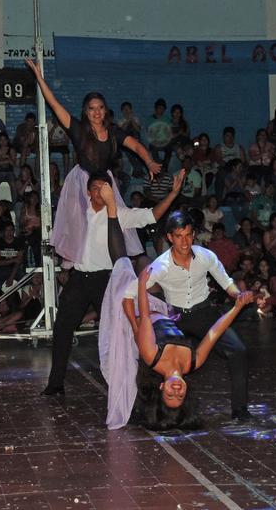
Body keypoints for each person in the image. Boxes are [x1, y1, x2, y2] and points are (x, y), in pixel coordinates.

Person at [40, 171, 183, 396]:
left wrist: (173, 193)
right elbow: (70, 242)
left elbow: (152, 215)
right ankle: (55, 384)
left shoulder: (118, 214)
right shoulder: (80, 213)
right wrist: (66, 266)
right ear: (88, 192)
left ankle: (130, 385)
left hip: (105, 280)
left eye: (104, 188)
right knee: (62, 328)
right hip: (80, 277)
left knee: (119, 332)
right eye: (95, 188)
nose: (100, 192)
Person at [24, 57, 161, 267]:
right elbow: (54, 103)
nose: (96, 112)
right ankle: (74, 259)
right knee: (81, 221)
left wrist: (149, 162)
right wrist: (39, 77)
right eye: (92, 108)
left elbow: (136, 146)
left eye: (100, 107)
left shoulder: (113, 132)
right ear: (86, 111)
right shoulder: (78, 129)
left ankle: (113, 257)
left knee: (114, 217)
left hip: (104, 180)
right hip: (82, 179)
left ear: (105, 110)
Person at [100, 247, 253, 430]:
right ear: (186, 391)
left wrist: (141, 285)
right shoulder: (193, 362)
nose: (176, 391)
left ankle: (115, 232)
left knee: (123, 264)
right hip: (160, 305)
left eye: (170, 395)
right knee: (143, 260)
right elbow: (214, 333)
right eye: (180, 396)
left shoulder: (152, 357)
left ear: (162, 387)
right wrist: (237, 307)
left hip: (134, 307)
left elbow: (145, 316)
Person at [123, 211, 254, 421]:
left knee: (238, 351)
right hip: (175, 319)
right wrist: (136, 329)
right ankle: (139, 409)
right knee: (146, 360)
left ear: (193, 235)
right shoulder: (160, 266)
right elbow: (128, 296)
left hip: (204, 312)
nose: (184, 242)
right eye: (178, 236)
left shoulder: (206, 256)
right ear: (170, 237)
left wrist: (239, 295)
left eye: (188, 235)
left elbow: (226, 282)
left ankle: (240, 409)